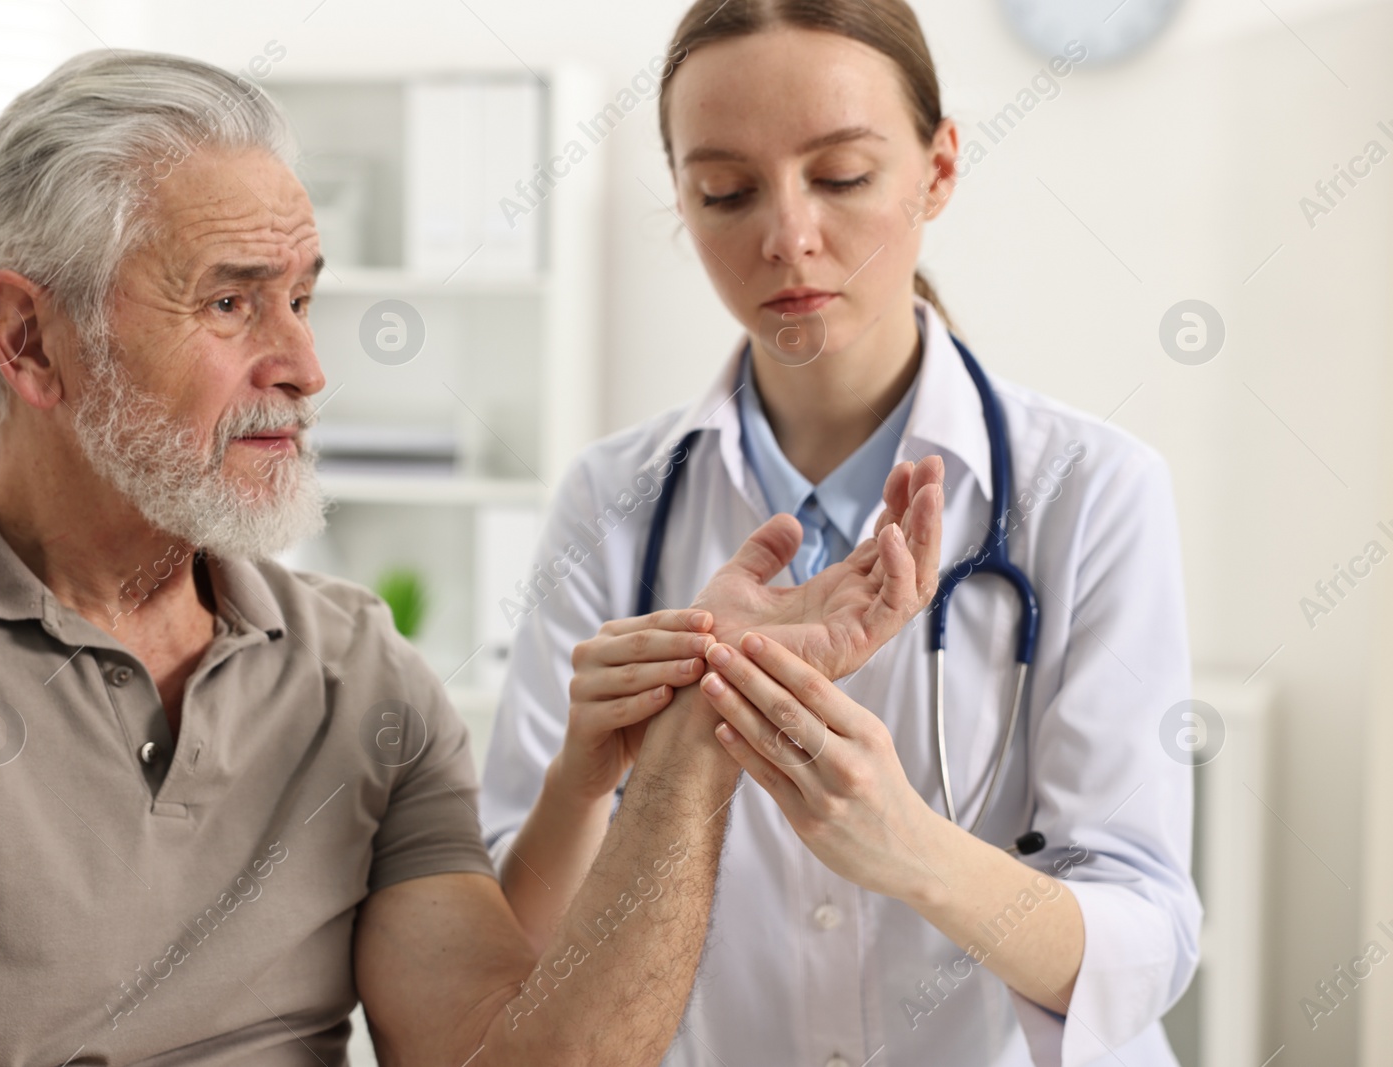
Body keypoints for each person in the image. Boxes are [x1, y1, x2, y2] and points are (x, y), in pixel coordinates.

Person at [0, 49, 944, 1067]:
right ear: (28, 337)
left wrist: (702, 727)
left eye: (302, 297)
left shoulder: (361, 670)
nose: (305, 363)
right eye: (233, 301)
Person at [479, 2, 1202, 1065]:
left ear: (939, 169)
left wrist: (913, 850)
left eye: (843, 175)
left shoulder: (1090, 490)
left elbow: (1146, 941)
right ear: (680, 196)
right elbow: (521, 950)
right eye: (724, 191)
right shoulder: (612, 500)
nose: (785, 237)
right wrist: (583, 781)